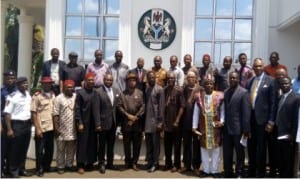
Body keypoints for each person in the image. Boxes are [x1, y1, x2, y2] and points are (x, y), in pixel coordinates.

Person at [246, 58, 276, 177]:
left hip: (263, 121)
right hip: (251, 119)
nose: (257, 68)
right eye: (255, 66)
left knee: (261, 148)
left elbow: (273, 102)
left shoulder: (271, 81)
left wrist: (271, 121)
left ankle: (261, 172)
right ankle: (252, 170)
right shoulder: (250, 81)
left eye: (259, 66)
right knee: (251, 146)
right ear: (253, 67)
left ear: (263, 66)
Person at [192, 75, 224, 177]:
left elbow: (223, 110)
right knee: (204, 150)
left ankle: (214, 170)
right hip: (203, 127)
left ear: (213, 84)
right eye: (207, 83)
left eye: (211, 83)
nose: (209, 85)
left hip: (215, 128)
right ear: (204, 85)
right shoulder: (199, 96)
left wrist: (222, 121)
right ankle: (206, 170)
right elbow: (196, 112)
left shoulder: (219, 96)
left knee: (216, 150)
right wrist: (194, 126)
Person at [222, 71, 251, 177]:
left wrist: (246, 130)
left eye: (235, 78)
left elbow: (246, 113)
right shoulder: (225, 91)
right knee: (227, 152)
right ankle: (228, 171)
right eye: (231, 78)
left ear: (238, 79)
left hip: (239, 129)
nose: (232, 80)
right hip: (227, 129)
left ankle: (239, 172)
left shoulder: (244, 92)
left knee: (240, 153)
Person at [4, 77, 32, 178]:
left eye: (26, 83)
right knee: (15, 150)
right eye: (23, 83)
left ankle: (22, 169)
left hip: (27, 125)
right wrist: (10, 129)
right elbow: (7, 114)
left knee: (24, 149)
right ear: (18, 85)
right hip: (17, 125)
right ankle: (13, 171)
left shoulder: (28, 95)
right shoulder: (12, 96)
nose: (26, 85)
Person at [93, 74, 121, 174]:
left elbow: (117, 108)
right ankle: (101, 164)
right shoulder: (98, 91)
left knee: (111, 145)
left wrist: (118, 125)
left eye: (110, 80)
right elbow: (96, 110)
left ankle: (110, 163)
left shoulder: (116, 91)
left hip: (113, 123)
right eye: (107, 80)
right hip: (102, 123)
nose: (109, 81)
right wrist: (97, 124)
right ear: (103, 80)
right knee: (102, 146)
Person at [118, 73, 145, 171]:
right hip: (126, 123)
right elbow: (119, 107)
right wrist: (128, 116)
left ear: (136, 82)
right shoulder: (122, 93)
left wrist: (136, 117)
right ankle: (127, 163)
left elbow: (143, 107)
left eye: (133, 80)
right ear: (127, 82)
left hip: (137, 124)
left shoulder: (140, 93)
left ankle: (134, 163)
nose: (132, 82)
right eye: (130, 80)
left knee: (137, 145)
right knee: (126, 144)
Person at [31, 77, 55, 177]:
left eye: (49, 83)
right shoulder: (37, 96)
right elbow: (33, 113)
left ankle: (46, 166)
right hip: (41, 127)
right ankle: (39, 168)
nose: (47, 85)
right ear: (42, 84)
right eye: (45, 83)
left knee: (50, 150)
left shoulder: (53, 95)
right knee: (40, 151)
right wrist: (37, 128)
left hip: (51, 127)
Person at [276, 77, 300, 177]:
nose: (284, 85)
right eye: (282, 84)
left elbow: (296, 119)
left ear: (291, 84)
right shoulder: (281, 97)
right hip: (280, 132)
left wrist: (292, 135)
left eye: (287, 83)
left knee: (288, 160)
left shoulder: (296, 98)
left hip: (288, 134)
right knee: (281, 158)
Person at [74, 73, 98, 174]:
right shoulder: (80, 93)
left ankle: (90, 163)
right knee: (82, 144)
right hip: (83, 123)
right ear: (85, 81)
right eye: (89, 80)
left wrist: (98, 123)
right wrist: (79, 122)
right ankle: (80, 165)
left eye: (93, 80)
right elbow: (77, 108)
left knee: (92, 143)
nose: (91, 82)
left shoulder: (95, 93)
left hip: (93, 123)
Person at [53, 80, 77, 174]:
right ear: (64, 87)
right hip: (62, 128)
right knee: (61, 149)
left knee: (71, 148)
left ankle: (69, 165)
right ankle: (60, 166)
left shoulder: (76, 96)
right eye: (68, 87)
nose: (70, 89)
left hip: (73, 128)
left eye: (72, 87)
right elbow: (55, 114)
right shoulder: (58, 98)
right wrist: (56, 128)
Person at [180, 71, 202, 175]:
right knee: (186, 144)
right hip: (186, 121)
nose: (190, 79)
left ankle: (196, 166)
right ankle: (186, 165)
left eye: (192, 77)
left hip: (197, 124)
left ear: (196, 78)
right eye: (188, 77)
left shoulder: (201, 90)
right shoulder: (183, 90)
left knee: (196, 145)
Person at [163, 72, 185, 172]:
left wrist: (177, 120)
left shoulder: (179, 90)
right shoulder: (164, 90)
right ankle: (168, 164)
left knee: (176, 146)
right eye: (168, 78)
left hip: (176, 124)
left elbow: (182, 106)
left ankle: (177, 165)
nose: (170, 80)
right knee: (167, 146)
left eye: (172, 78)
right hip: (166, 123)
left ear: (175, 79)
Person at [144, 71, 165, 172]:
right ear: (147, 79)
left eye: (153, 77)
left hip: (156, 121)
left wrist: (160, 122)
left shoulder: (160, 89)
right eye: (149, 77)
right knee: (148, 144)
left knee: (155, 144)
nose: (151, 79)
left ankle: (155, 163)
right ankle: (150, 161)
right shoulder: (147, 89)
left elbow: (161, 107)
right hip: (147, 121)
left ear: (155, 78)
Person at [1, 70, 16, 177]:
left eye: (12, 78)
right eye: (8, 78)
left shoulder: (19, 91)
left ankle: (10, 170)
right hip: (4, 123)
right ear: (4, 79)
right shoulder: (1, 91)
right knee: (3, 148)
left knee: (13, 148)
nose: (10, 80)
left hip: (15, 122)